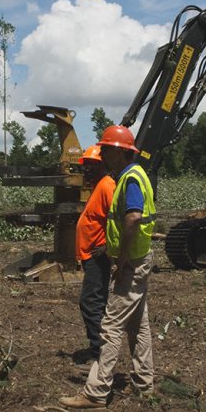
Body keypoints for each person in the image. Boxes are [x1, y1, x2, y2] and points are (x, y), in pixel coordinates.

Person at [59, 125, 156, 409]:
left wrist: (122, 256)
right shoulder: (132, 176)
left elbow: (134, 217)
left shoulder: (130, 179)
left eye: (105, 150)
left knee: (111, 326)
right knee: (139, 326)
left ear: (119, 152)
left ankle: (96, 392)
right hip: (138, 259)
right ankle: (144, 384)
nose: (102, 155)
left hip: (132, 262)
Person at [73, 144, 116, 366]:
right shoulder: (98, 186)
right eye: (85, 166)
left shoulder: (107, 185)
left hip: (98, 255)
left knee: (90, 302)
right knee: (96, 302)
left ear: (103, 165)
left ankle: (100, 353)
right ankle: (98, 348)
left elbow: (117, 218)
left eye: (91, 165)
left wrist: (108, 247)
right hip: (92, 255)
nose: (86, 170)